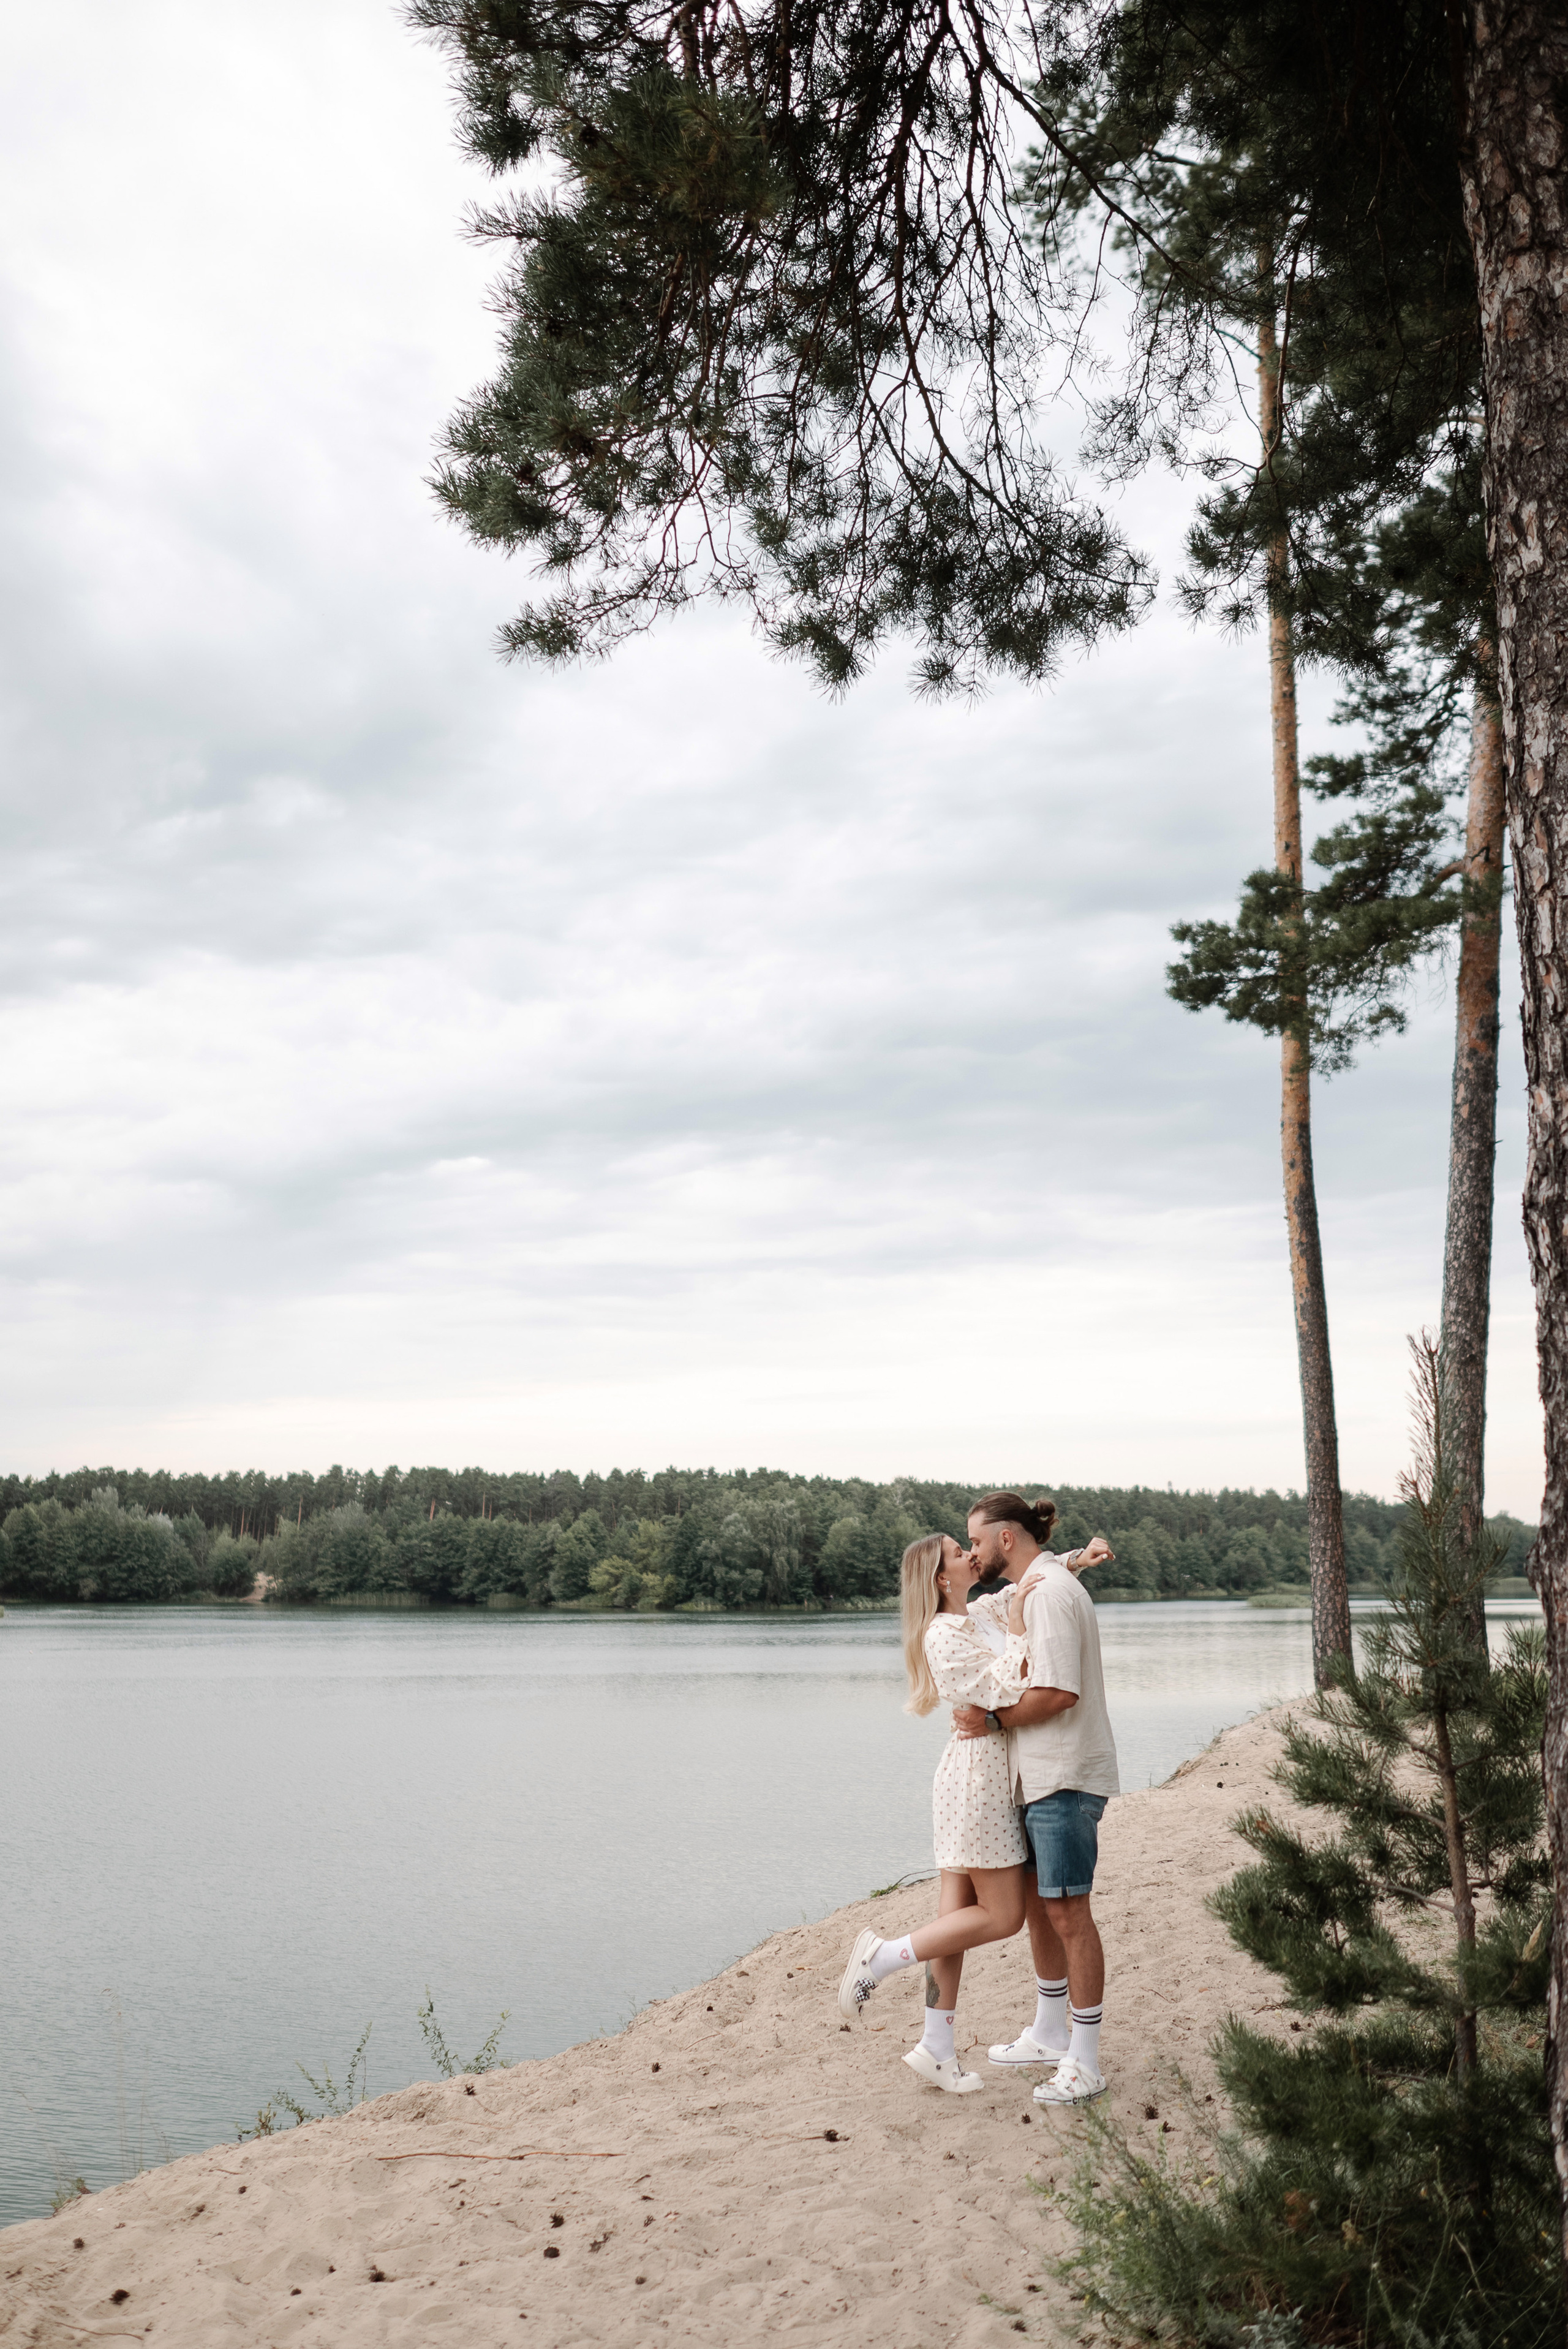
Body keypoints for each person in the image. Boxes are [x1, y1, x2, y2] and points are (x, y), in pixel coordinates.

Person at [834, 1532, 1040, 2093]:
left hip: (973, 1779)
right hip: (979, 1784)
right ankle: (882, 1957)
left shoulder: (975, 1613)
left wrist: (1077, 1559)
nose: (970, 1554)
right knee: (1002, 1918)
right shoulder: (943, 1636)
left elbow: (1024, 1583)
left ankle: (936, 2047)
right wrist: (1021, 1630)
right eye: (957, 1551)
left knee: (953, 1923)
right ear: (941, 1579)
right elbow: (1005, 1687)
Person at [956, 1492, 1118, 2106]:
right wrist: (1077, 1556)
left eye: (974, 1541)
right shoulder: (1034, 1587)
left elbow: (1057, 1694)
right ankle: (1050, 2034)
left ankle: (1085, 2058)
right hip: (1036, 1776)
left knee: (1068, 1913)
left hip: (1065, 1776)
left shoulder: (1047, 1595)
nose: (971, 1552)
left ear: (1004, 1539)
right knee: (1041, 1903)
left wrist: (993, 1724)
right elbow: (990, 1614)